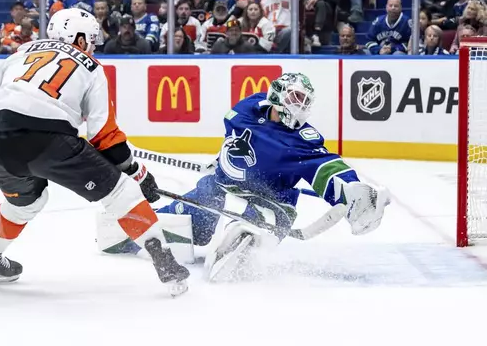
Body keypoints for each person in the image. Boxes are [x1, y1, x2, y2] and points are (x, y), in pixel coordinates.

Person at [0, 9, 189, 296]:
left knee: (25, 203)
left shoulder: (21, 51)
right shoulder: (91, 67)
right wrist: (136, 173)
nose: (92, 47)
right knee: (121, 193)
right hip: (49, 143)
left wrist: (10, 123)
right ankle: (167, 265)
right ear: (79, 39)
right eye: (91, 40)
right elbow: (105, 138)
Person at [98, 73, 391, 282]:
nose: (300, 106)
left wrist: (350, 188)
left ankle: (243, 241)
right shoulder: (249, 107)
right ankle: (133, 233)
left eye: (305, 101)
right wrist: (222, 165)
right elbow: (235, 137)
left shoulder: (304, 140)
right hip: (218, 189)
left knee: (248, 234)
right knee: (161, 225)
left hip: (273, 205)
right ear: (278, 96)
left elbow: (326, 166)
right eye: (296, 97)